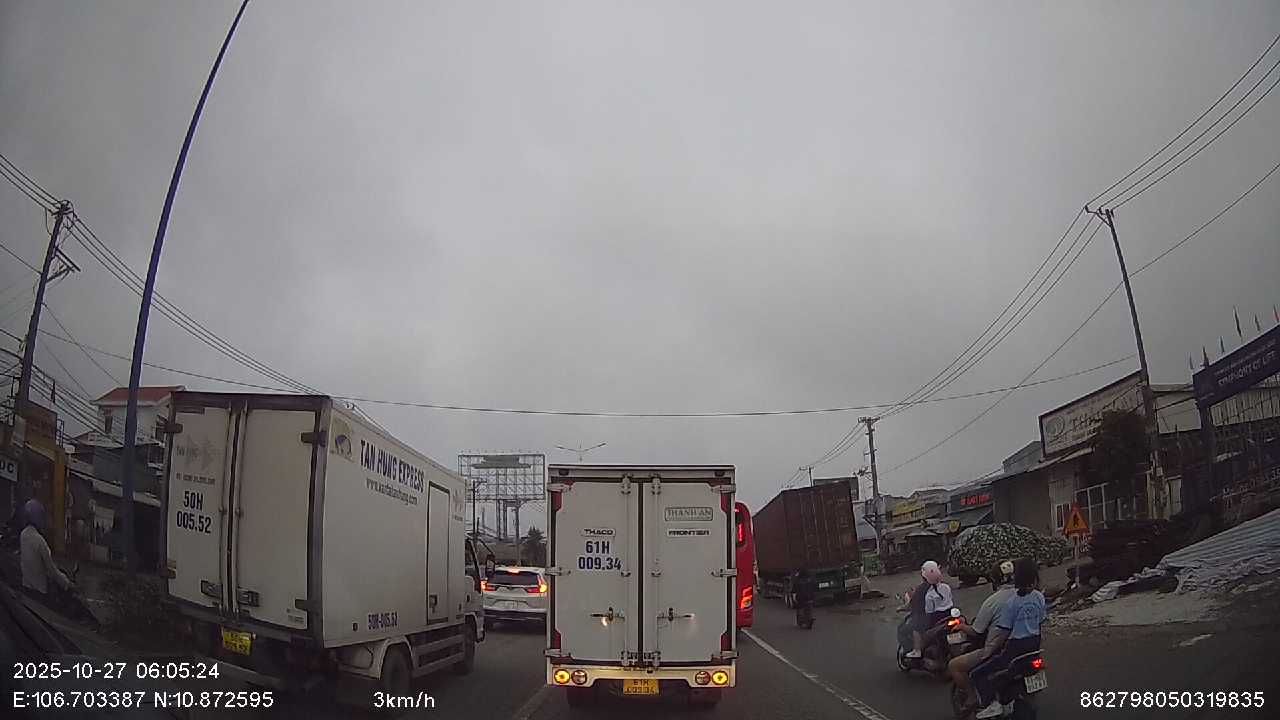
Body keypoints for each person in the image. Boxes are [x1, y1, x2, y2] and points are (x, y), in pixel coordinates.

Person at [969, 557, 1045, 719]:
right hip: (1034, 647)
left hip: (1014, 649)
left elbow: (1003, 633)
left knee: (977, 674)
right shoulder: (1039, 597)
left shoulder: (1012, 603)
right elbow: (1040, 622)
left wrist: (989, 651)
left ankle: (991, 704)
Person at [948, 561, 1017, 703]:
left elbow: (976, 631)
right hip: (1026, 646)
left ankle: (973, 698)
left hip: (998, 649)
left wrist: (962, 627)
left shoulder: (993, 601)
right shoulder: (1029, 596)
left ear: (995, 579)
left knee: (954, 666)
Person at [19, 499, 74, 599]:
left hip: (26, 589)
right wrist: (67, 583)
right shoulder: (40, 541)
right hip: (39, 593)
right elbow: (52, 570)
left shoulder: (23, 535)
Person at [907, 560, 952, 659]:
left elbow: (929, 611)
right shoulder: (946, 587)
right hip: (949, 614)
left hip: (935, 619)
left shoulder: (928, 594)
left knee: (916, 627)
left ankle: (917, 650)